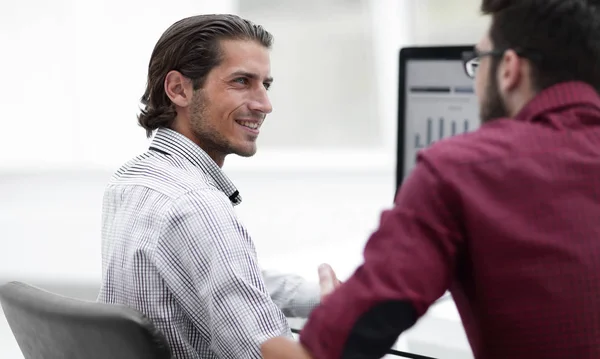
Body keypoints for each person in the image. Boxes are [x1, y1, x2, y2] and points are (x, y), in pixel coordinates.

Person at [261, 0, 600, 358]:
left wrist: (332, 319)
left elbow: (325, 352)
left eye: (478, 62)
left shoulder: (459, 170)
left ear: (509, 69)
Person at [96, 14, 340, 358]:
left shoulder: (132, 181)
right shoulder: (196, 205)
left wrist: (324, 297)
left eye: (265, 85)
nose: (264, 104)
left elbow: (223, 280)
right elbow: (264, 352)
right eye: (242, 81)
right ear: (179, 89)